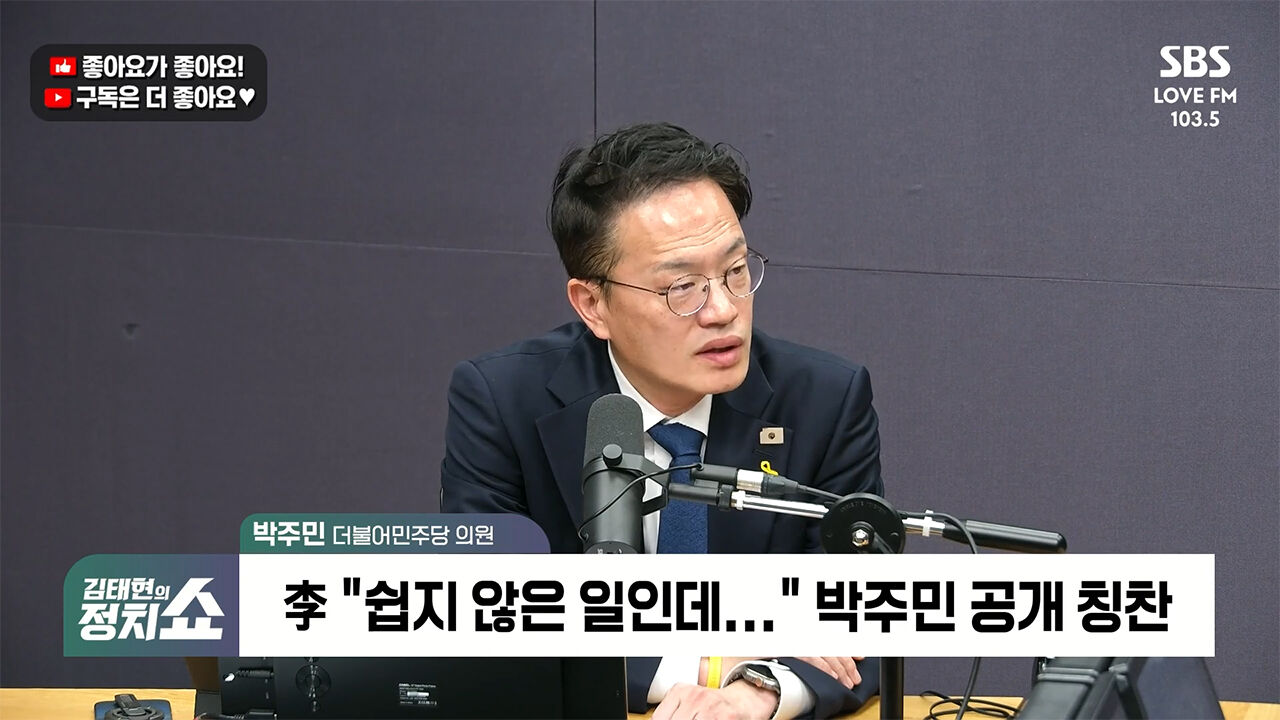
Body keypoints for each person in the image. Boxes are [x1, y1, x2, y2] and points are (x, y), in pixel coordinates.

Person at [441, 122, 883, 719]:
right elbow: (485, 619)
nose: (723, 309)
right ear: (593, 304)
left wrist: (757, 691)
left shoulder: (823, 401)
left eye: (735, 270)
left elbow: (868, 621)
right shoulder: (503, 401)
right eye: (681, 287)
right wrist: (717, 662)